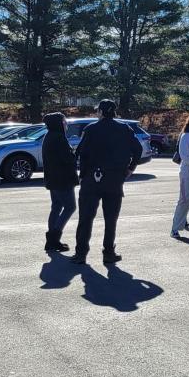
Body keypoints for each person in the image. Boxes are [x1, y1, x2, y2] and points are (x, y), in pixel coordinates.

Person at [71, 99, 143, 266]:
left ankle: (81, 253)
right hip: (114, 179)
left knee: (86, 218)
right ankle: (108, 252)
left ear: (101, 112)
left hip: (92, 178)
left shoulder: (91, 129)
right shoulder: (124, 128)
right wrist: (131, 168)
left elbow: (82, 153)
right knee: (111, 219)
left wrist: (82, 174)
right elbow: (137, 150)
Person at [42, 112, 79, 253]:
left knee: (56, 207)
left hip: (53, 179)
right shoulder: (59, 138)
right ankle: (53, 238)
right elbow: (68, 160)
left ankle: (52, 240)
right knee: (70, 207)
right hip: (63, 180)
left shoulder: (49, 136)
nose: (66, 124)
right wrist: (74, 155)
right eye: (64, 122)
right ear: (59, 123)